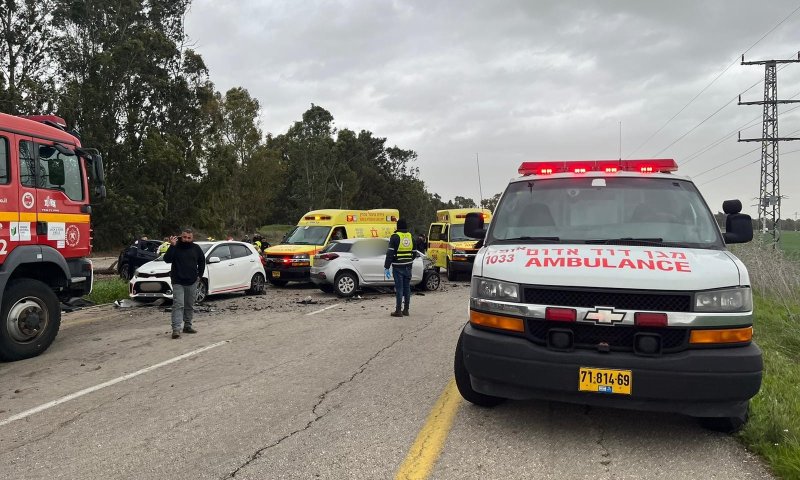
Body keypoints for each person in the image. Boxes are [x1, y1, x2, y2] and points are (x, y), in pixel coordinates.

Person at [164, 228, 206, 339]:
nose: (186, 239)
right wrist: (172, 246)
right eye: (184, 237)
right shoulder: (175, 247)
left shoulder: (196, 248)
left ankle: (187, 326)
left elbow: (202, 261)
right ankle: (176, 329)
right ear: (180, 237)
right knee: (178, 304)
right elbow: (167, 259)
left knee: (189, 305)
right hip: (178, 281)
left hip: (192, 281)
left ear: (192, 238)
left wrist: (199, 276)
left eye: (189, 238)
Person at [384, 218, 416, 317]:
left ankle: (398, 310)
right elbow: (414, 253)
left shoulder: (395, 237)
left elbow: (390, 253)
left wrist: (387, 266)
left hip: (398, 267)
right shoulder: (411, 236)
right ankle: (406, 310)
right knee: (407, 288)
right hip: (408, 266)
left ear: (397, 227)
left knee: (399, 289)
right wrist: (409, 260)